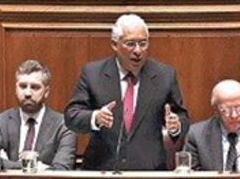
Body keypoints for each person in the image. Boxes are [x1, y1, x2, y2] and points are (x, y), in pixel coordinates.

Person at [64, 13, 190, 170]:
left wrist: (176, 124)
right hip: (103, 168)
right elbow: (72, 116)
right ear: (115, 44)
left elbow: (182, 117)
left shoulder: (164, 75)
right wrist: (95, 117)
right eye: (130, 44)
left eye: (143, 44)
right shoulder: (93, 73)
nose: (138, 51)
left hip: (149, 171)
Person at [0, 59, 76, 170]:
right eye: (23, 86)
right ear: (16, 88)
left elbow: (62, 168)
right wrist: (35, 166)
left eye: (35, 87)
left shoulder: (64, 125)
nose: (28, 93)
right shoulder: (0, 121)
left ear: (46, 92)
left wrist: (7, 164)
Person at [183, 79, 240, 171]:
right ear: (216, 109)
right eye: (226, 110)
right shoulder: (197, 136)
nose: (234, 115)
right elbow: (192, 174)